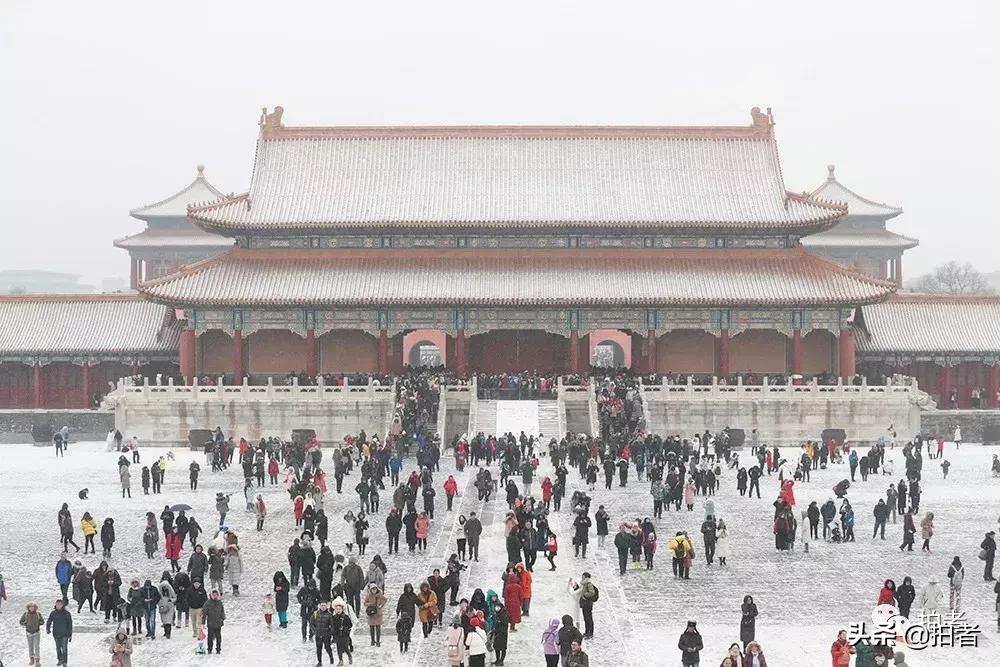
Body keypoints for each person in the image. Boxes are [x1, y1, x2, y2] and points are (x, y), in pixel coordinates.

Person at [46, 598, 73, 666]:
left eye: (59, 604)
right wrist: (48, 629)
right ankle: (60, 659)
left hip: (65, 634)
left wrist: (70, 634)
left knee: (64, 648)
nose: (58, 606)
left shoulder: (67, 613)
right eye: (57, 604)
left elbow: (70, 624)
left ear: (62, 605)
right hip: (56, 633)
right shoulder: (53, 613)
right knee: (58, 648)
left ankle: (65, 662)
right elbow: (49, 621)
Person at [20, 601, 44, 666]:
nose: (31, 608)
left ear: (35, 607)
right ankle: (31, 659)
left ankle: (37, 661)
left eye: (33, 607)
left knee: (36, 647)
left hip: (36, 632)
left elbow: (42, 621)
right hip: (28, 633)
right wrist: (25, 624)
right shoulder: (25, 614)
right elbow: (21, 622)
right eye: (30, 607)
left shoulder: (38, 614)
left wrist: (38, 624)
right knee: (30, 647)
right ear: (28, 608)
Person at [204, 589, 226, 654]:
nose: (214, 596)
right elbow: (204, 612)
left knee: (218, 637)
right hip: (210, 623)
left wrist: (222, 619)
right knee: (210, 637)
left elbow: (222, 612)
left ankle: (218, 649)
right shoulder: (208, 603)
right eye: (213, 595)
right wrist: (203, 622)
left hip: (218, 623)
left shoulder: (219, 603)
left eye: (216, 595)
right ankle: (209, 649)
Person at [578, 571, 598, 639]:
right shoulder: (584, 584)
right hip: (584, 603)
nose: (582, 578)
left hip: (588, 603)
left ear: (586, 577)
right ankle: (586, 632)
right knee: (585, 618)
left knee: (589, 618)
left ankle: (590, 632)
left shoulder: (589, 584)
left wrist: (585, 595)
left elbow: (592, 593)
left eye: (583, 577)